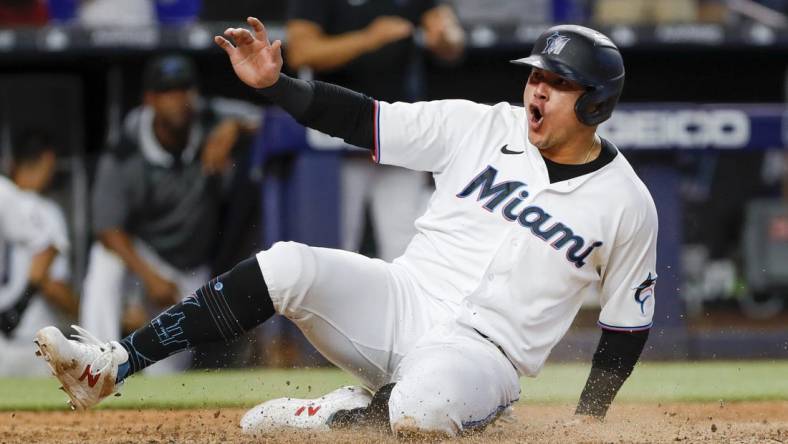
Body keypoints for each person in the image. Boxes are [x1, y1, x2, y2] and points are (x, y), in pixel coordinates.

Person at [35, 19, 658, 437]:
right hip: (401, 299)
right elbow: (366, 121)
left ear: (598, 103)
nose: (537, 92)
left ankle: (345, 411)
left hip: (484, 355)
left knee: (421, 409)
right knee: (287, 264)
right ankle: (110, 366)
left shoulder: (627, 203)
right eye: (535, 76)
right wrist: (276, 86)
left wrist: (589, 424)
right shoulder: (482, 126)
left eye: (558, 84)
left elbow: (625, 327)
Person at [79, 54, 261, 373]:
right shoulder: (127, 147)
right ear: (150, 99)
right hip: (143, 258)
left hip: (190, 269)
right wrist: (149, 278)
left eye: (184, 90)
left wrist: (234, 127)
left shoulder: (211, 117)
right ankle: (95, 367)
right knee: (104, 261)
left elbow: (271, 118)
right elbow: (107, 228)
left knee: (165, 374)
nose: (179, 100)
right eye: (168, 92)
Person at [286, 0, 464, 261]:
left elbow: (453, 42)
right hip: (336, 140)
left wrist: (445, 35)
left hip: (400, 136)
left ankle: (405, 302)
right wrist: (368, 38)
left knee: (405, 247)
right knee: (331, 246)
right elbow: (300, 52)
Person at [0, 132, 72, 375]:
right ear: (48, 160)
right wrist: (85, 317)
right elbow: (52, 284)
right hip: (35, 339)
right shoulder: (45, 211)